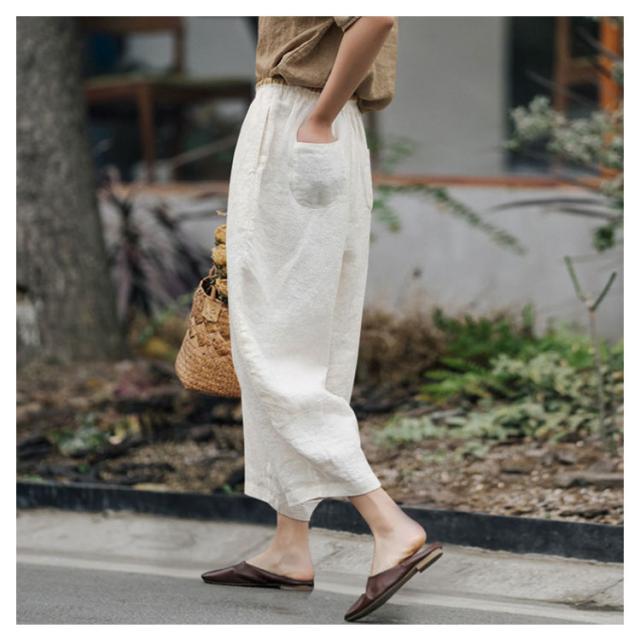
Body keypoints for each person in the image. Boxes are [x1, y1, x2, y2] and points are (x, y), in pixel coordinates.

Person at [201, 16, 443, 622]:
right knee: (307, 344)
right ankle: (290, 546)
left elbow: (374, 17)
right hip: (320, 124)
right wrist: (325, 116)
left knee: (271, 347)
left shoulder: (308, 111)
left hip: (299, 120)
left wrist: (317, 116)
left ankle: (387, 523)